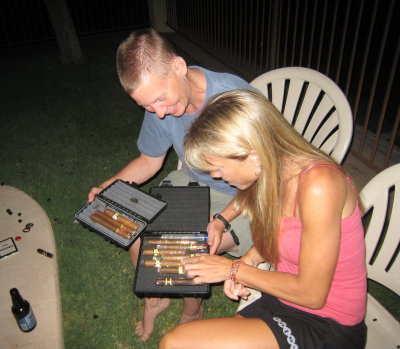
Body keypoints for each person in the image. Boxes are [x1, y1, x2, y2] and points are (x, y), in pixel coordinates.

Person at [159, 89, 367, 349]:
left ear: (253, 153)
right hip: (282, 298)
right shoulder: (271, 172)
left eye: (219, 167)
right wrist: (247, 261)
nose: (214, 175)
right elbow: (287, 236)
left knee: (177, 344)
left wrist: (232, 269)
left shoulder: (319, 185)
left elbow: (313, 295)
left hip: (327, 322)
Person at [87, 29, 256, 341]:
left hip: (246, 197)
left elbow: (262, 177)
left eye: (161, 99)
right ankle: (156, 297)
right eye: (149, 107)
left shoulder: (231, 98)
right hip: (194, 180)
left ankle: (193, 310)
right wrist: (108, 186)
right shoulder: (160, 105)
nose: (159, 113)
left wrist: (222, 220)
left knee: (186, 252)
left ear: (179, 66)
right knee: (136, 231)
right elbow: (150, 160)